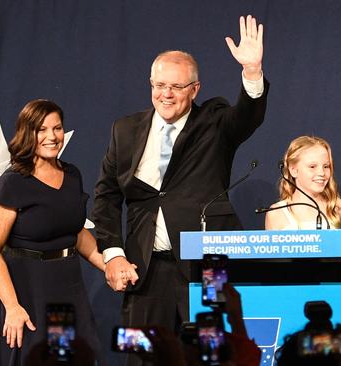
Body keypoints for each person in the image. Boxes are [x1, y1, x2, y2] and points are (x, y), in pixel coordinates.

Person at [91, 13, 268, 348]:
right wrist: (113, 253)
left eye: (176, 86)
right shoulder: (125, 130)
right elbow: (106, 197)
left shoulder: (214, 121)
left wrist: (252, 72)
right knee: (141, 355)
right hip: (144, 270)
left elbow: (247, 117)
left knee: (210, 355)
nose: (166, 94)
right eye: (159, 85)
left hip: (208, 268)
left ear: (195, 89)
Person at [0, 100, 105, 365]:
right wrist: (12, 307)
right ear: (28, 133)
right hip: (27, 292)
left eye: (57, 128)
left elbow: (76, 232)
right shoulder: (12, 182)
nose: (51, 136)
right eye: (41, 129)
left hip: (69, 286)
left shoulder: (72, 175)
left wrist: (110, 266)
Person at [265, 136, 341, 230]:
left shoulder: (338, 207)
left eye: (326, 166)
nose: (322, 173)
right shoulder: (277, 213)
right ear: (293, 170)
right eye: (312, 166)